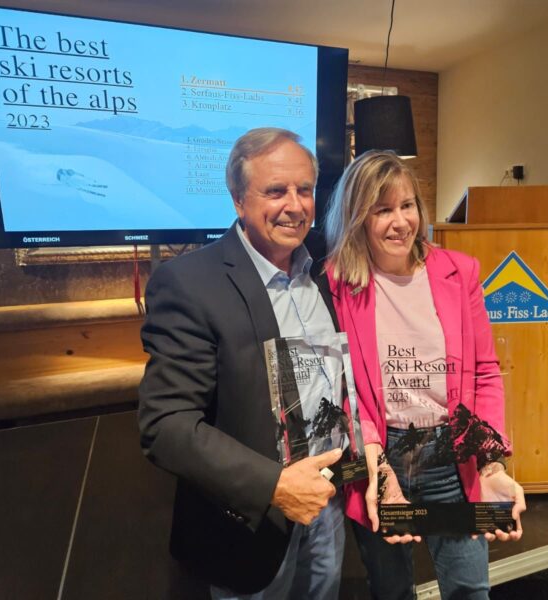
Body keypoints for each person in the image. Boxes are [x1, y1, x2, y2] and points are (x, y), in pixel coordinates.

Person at [138, 128, 345, 599]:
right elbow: (165, 425)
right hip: (250, 524)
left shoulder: (325, 273)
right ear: (237, 200)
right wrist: (274, 485)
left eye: (305, 190)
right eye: (275, 191)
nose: (295, 205)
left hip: (328, 507)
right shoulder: (189, 283)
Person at [323, 150, 527, 599]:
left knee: (470, 589)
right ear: (357, 217)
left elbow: (486, 373)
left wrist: (491, 461)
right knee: (391, 589)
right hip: (381, 454)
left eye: (407, 205)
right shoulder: (336, 282)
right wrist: (375, 467)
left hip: (451, 455)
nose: (400, 222)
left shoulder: (460, 271)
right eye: (382, 210)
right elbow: (341, 388)